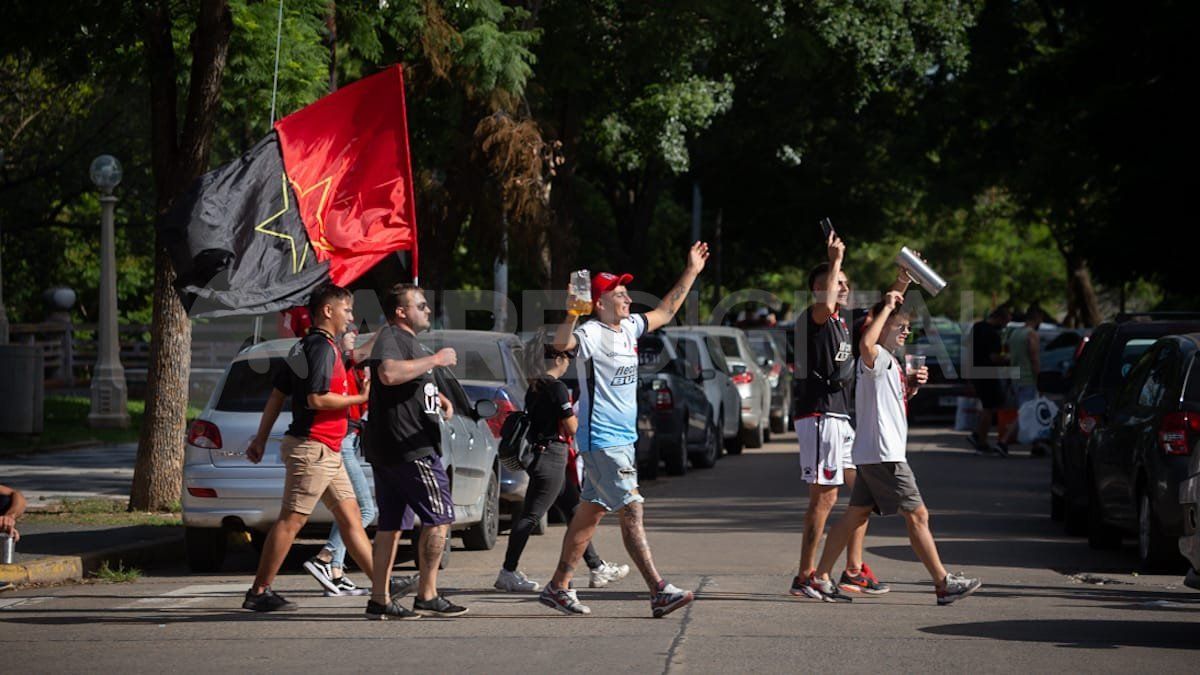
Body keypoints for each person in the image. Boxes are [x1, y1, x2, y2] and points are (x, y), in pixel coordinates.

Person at [540, 241, 709, 618]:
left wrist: (692, 270)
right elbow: (560, 347)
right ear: (599, 303)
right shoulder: (590, 332)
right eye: (619, 294)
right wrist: (572, 313)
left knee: (590, 513)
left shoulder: (629, 328)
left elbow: (665, 311)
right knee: (632, 509)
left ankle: (558, 587)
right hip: (602, 440)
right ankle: (658, 590)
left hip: (622, 440)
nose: (628, 298)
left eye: (627, 292)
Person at [808, 293, 982, 605]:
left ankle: (820, 577)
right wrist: (888, 305)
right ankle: (943, 583)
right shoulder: (872, 354)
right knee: (918, 514)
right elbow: (864, 344)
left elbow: (888, 404)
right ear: (880, 325)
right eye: (900, 327)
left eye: (907, 329)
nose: (905, 333)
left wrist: (910, 387)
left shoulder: (889, 361)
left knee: (855, 516)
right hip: (884, 454)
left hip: (875, 452)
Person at [242, 284, 379, 613]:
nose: (350, 316)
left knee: (352, 518)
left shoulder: (306, 346)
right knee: (291, 521)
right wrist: (360, 399)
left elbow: (277, 394)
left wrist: (260, 438)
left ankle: (382, 587)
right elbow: (316, 399)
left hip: (327, 450)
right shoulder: (320, 349)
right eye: (346, 309)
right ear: (327, 311)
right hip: (313, 448)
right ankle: (259, 591)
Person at [790, 232, 904, 599]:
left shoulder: (846, 322)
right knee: (824, 498)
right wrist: (833, 258)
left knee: (865, 495)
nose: (845, 287)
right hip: (819, 416)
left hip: (840, 418)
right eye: (838, 282)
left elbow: (881, 318)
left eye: (846, 283)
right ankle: (805, 574)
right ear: (820, 289)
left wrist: (902, 281)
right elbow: (825, 302)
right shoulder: (814, 318)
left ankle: (853, 570)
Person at [364, 283, 467, 620]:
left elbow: (409, 385)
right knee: (440, 518)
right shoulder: (392, 337)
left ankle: (379, 599)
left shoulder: (408, 342)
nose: (426, 309)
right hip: (410, 446)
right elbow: (389, 373)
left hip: (392, 446)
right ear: (400, 311)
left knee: (391, 525)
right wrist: (437, 359)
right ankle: (427, 593)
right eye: (419, 305)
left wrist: (437, 399)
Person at [493, 338, 630, 592]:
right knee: (531, 516)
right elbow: (570, 426)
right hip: (551, 457)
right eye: (567, 357)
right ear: (557, 359)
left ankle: (597, 568)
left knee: (576, 512)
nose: (569, 362)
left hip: (545, 456)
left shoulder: (535, 386)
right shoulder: (555, 388)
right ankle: (508, 572)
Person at [302, 328, 390, 597]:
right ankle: (325, 557)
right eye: (348, 331)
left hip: (347, 439)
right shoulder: (339, 357)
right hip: (341, 442)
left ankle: (336, 573)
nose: (354, 333)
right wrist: (383, 333)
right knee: (364, 510)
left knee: (348, 510)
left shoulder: (347, 362)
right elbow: (363, 351)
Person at [967, 306, 1011, 455]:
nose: (1005, 326)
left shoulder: (977, 327)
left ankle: (977, 434)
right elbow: (994, 357)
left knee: (986, 405)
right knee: (989, 407)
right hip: (988, 373)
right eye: (1006, 322)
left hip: (975, 371)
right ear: (1001, 319)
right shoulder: (993, 335)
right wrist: (1008, 359)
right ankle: (981, 441)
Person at [1001, 304, 1044, 453]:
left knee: (1030, 411)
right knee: (1026, 412)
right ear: (1037, 318)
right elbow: (1034, 357)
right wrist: (1039, 377)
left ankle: (1036, 445)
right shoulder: (1031, 334)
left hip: (1016, 377)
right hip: (1027, 377)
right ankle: (1004, 442)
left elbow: (1009, 355)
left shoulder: (1014, 333)